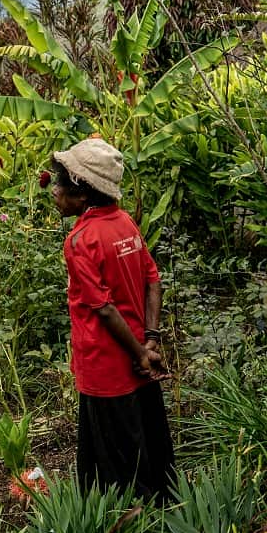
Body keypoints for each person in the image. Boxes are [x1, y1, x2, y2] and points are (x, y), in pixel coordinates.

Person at [44, 137, 175, 503]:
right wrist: (149, 342)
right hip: (139, 363)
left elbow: (103, 308)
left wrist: (137, 354)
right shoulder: (125, 223)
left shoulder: (80, 241)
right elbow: (153, 281)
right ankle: (162, 511)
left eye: (61, 185)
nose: (54, 192)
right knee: (146, 442)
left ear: (83, 194)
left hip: (105, 366)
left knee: (113, 461)